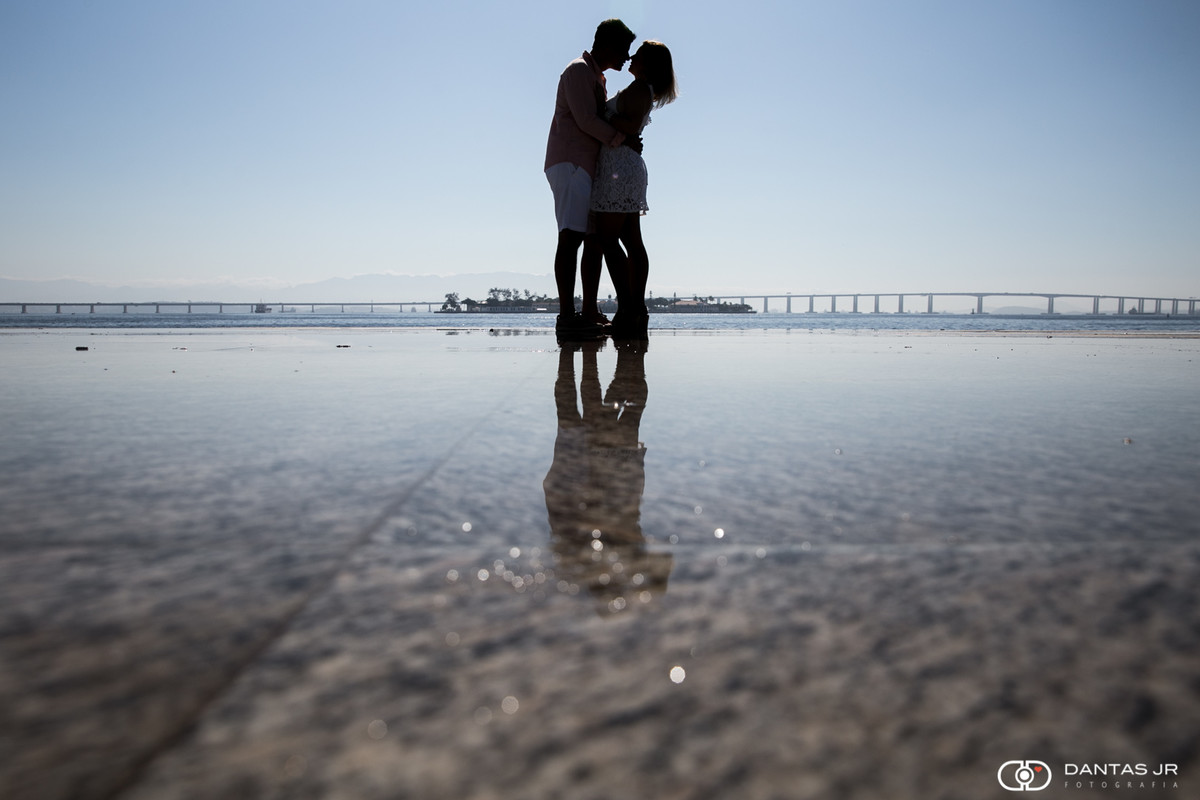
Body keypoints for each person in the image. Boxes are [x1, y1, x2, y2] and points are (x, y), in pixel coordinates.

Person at [545, 19, 637, 340]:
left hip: (585, 167)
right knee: (570, 237)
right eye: (624, 49)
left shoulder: (595, 77)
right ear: (608, 45)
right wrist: (620, 138)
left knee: (593, 239)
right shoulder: (578, 72)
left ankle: (587, 311)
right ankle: (567, 316)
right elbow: (585, 120)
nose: (627, 56)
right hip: (570, 163)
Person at [590, 40, 678, 340]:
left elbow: (628, 125)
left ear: (647, 63)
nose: (631, 57)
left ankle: (629, 307)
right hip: (624, 166)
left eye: (637, 55)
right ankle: (635, 310)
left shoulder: (640, 88)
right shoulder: (642, 88)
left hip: (619, 168)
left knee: (607, 238)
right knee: (631, 240)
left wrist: (605, 115)